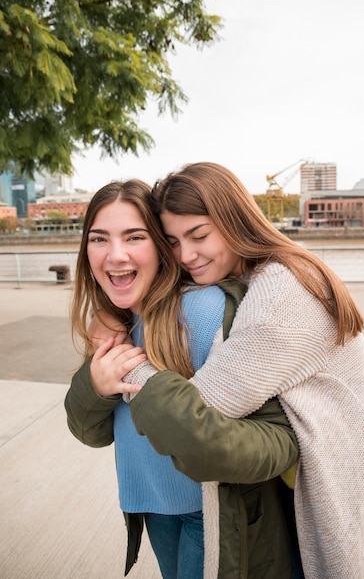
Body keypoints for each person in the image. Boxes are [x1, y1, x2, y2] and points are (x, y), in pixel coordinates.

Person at [121, 162, 364, 579]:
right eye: (172, 241)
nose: (186, 256)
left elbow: (198, 412)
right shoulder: (277, 269)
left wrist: (127, 363)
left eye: (199, 235)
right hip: (330, 477)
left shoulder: (280, 297)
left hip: (333, 494)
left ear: (234, 219)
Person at [64, 179, 300, 579]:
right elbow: (90, 431)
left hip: (208, 513)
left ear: (159, 246)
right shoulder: (116, 322)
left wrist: (162, 398)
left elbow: (279, 437)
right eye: (99, 239)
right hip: (150, 506)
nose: (115, 255)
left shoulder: (204, 310)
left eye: (134, 236)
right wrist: (96, 387)